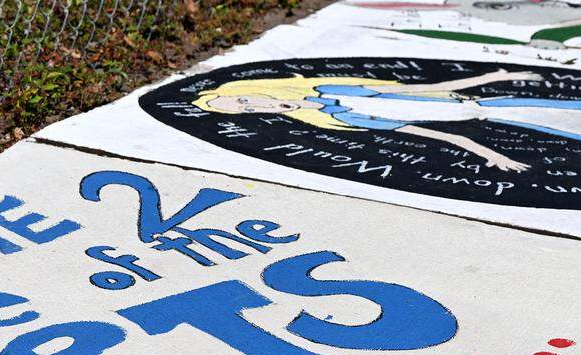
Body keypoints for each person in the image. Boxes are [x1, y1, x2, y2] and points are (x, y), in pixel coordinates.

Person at [193, 68, 581, 172]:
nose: (251, 107)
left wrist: (489, 78)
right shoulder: (331, 118)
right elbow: (426, 133)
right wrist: (488, 153)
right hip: (479, 114)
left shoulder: (331, 93)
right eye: (243, 111)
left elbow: (422, 91)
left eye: (242, 99)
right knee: (556, 129)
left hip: (482, 100)